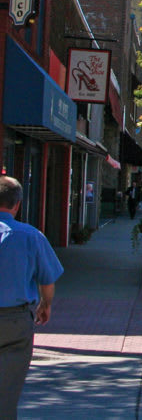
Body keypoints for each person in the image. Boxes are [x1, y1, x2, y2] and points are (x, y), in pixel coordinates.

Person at [0, 176, 64, 419]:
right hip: (15, 320)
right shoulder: (30, 236)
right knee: (7, 389)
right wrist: (46, 305)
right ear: (17, 205)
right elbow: (47, 279)